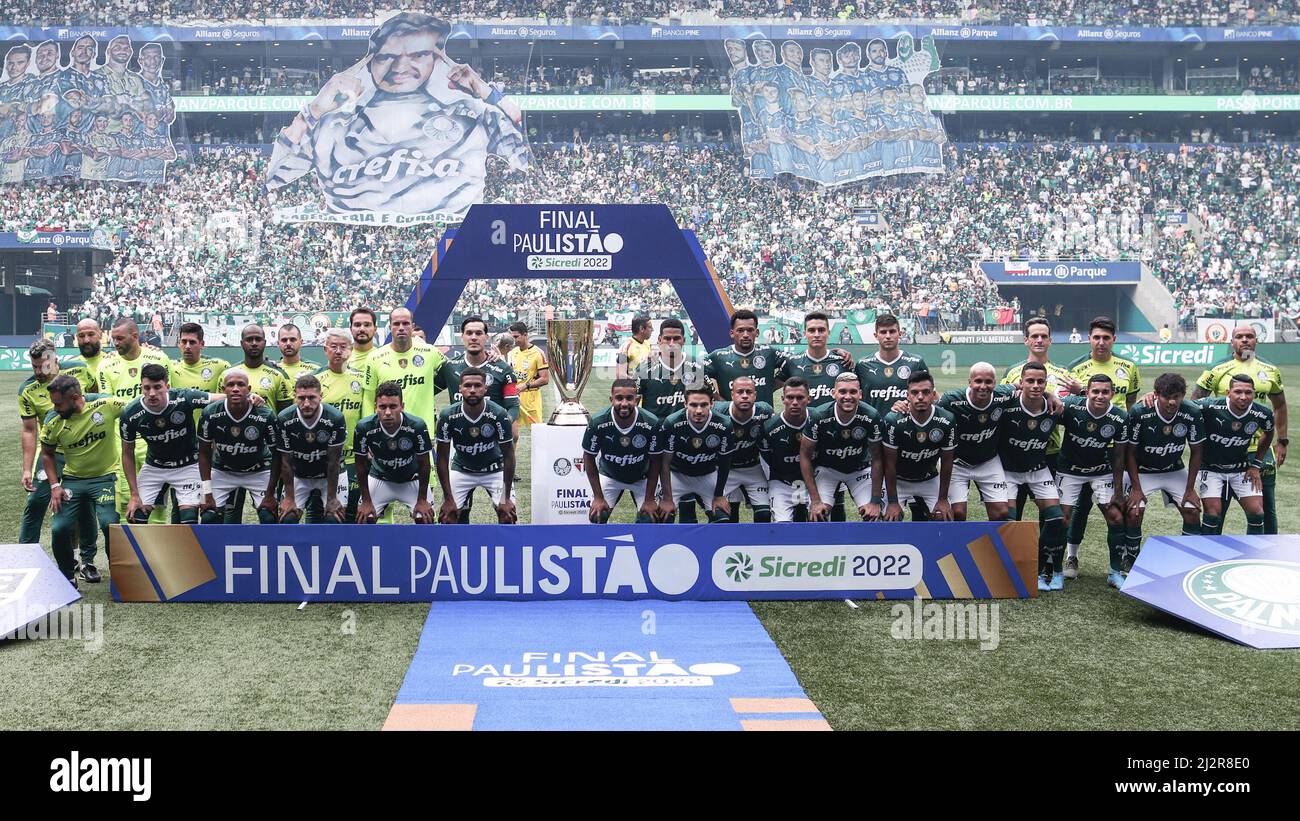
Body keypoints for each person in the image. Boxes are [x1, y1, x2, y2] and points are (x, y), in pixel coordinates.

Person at [267, 12, 528, 220]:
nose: (401, 67)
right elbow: (274, 178)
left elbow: (522, 148)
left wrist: (483, 90)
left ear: (436, 60)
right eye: (387, 57)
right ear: (370, 63)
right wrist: (312, 112)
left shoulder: (471, 116)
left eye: (418, 55)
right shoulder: (330, 124)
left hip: (454, 245)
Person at [1063, 316, 1140, 578]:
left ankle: (1122, 562)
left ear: (1114, 340)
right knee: (1079, 507)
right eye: (1096, 337)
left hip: (1115, 447)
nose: (1101, 342)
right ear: (1089, 339)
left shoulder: (1128, 367)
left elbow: (1132, 405)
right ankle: (1071, 557)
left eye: (1106, 337)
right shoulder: (1076, 367)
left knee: (1116, 508)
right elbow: (1068, 407)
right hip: (1083, 448)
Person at [1193, 325, 1287, 534]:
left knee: (1265, 506)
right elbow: (1195, 401)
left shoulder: (1270, 370)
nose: (1245, 340)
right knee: (1218, 507)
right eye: (1239, 337)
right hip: (1224, 449)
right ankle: (1210, 551)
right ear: (1232, 341)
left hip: (1258, 449)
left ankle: (1267, 552)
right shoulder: (1217, 369)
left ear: (1256, 340)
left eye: (1249, 336)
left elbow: (1280, 405)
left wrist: (1282, 441)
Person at [18, 340, 100, 581]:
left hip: (84, 453)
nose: (37, 372)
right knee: (35, 502)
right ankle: (26, 557)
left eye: (41, 366)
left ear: (54, 360)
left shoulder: (80, 372)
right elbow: (30, 430)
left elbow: (94, 401)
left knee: (85, 507)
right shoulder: (28, 389)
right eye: (33, 366)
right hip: (52, 454)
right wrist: (26, 469)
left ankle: (88, 562)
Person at [39, 375, 126, 585]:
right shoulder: (53, 422)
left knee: (109, 523)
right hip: (73, 481)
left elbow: (138, 407)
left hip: (105, 477)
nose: (55, 407)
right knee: (60, 528)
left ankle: (121, 575)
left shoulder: (106, 405)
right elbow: (47, 454)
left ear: (76, 397)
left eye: (59, 403)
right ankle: (68, 576)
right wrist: (55, 485)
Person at [1124, 373, 1205, 581]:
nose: (1172, 402)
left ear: (1184, 395)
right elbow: (1129, 453)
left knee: (1192, 510)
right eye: (1166, 396)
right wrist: (1136, 489)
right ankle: (1131, 558)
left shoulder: (1192, 412)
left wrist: (1189, 489)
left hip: (1173, 469)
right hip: (1142, 470)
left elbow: (1196, 452)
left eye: (1177, 396)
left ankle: (1189, 559)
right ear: (1156, 395)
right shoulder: (1140, 411)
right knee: (1133, 511)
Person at [118, 364, 222, 524]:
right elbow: (127, 453)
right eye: (147, 388)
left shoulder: (183, 397)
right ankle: (148, 550)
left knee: (189, 520)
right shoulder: (130, 413)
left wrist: (249, 396)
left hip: (187, 466)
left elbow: (219, 398)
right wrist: (134, 494)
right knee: (135, 516)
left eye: (157, 387)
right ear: (141, 387)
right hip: (155, 467)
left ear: (167, 386)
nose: (152, 393)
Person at [1001, 316, 1081, 524]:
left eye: (1043, 336)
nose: (1039, 340)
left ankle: (1044, 557)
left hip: (1050, 452)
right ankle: (1008, 556)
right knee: (1010, 517)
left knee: (1052, 519)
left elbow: (1069, 412)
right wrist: (1048, 394)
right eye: (1034, 336)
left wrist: (1078, 392)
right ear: (1026, 340)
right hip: (1013, 454)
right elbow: (999, 404)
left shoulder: (1063, 373)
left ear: (1050, 341)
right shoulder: (1011, 373)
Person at [996, 362, 1068, 592]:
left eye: (1041, 382)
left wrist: (1052, 396)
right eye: (1030, 381)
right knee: (1008, 520)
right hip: (1008, 472)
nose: (1036, 386)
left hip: (1038, 469)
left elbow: (1085, 406)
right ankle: (1007, 569)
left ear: (1046, 383)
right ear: (1021, 382)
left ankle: (1045, 568)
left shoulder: (1054, 408)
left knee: (1056, 518)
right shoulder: (1007, 406)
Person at [1054, 375, 1130, 588]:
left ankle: (1115, 572)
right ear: (1086, 392)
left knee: (1115, 517)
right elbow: (1047, 412)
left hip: (1100, 472)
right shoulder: (1071, 407)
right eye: (1095, 391)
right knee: (1063, 519)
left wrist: (1117, 491)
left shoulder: (1120, 417)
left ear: (1112, 394)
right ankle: (1056, 570)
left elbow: (1119, 456)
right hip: (1069, 471)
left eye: (1105, 392)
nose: (1100, 396)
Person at [97, 317, 172, 520]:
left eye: (120, 338)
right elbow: (109, 405)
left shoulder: (159, 359)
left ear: (135, 336)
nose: (116, 343)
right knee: (124, 505)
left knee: (156, 506)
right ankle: (129, 551)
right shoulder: (106, 365)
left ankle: (157, 552)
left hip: (155, 442)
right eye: (113, 339)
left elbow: (168, 399)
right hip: (123, 443)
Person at [197, 369, 282, 525]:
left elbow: (277, 455)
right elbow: (203, 453)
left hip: (258, 469)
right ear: (224, 390)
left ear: (249, 390)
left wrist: (270, 494)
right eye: (230, 385)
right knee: (209, 516)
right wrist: (207, 492)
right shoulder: (210, 413)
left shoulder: (264, 414)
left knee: (268, 517)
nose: (235, 388)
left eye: (241, 384)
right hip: (223, 470)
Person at [1194, 374, 1274, 537]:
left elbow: (1269, 432)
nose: (1243, 397)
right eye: (1238, 392)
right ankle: (1207, 553)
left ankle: (1253, 553)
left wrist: (1256, 465)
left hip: (1241, 469)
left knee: (1257, 513)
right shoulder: (1210, 406)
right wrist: (1152, 396)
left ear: (1254, 392)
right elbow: (1182, 405)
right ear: (1228, 392)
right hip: (1210, 469)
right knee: (1213, 514)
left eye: (1248, 392)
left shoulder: (1263, 413)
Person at [435, 367, 517, 524]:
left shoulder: (498, 414)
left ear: (485, 388)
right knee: (447, 517)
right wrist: (448, 497)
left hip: (494, 470)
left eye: (478, 385)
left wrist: (505, 497)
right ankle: (456, 548)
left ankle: (504, 548)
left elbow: (509, 456)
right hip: (462, 470)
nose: (472, 390)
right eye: (467, 386)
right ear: (460, 389)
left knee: (508, 515)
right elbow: (443, 458)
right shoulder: (448, 415)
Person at [935, 363, 1014, 522]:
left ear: (995, 382)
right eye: (978, 381)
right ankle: (958, 546)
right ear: (969, 382)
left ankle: (989, 546)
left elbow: (1024, 387)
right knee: (957, 513)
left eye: (988, 382)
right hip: (957, 463)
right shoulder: (952, 400)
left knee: (1001, 513)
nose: (983, 386)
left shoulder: (1003, 394)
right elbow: (930, 409)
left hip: (988, 461)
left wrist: (1050, 396)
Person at [801, 373, 883, 522]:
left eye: (853, 392)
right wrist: (815, 500)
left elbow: (877, 458)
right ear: (833, 393)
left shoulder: (871, 416)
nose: (847, 396)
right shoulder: (819, 416)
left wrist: (875, 501)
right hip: (827, 470)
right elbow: (805, 456)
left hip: (859, 469)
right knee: (818, 514)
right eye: (842, 391)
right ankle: (824, 545)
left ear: (860, 394)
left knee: (874, 516)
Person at [353, 381, 435, 524]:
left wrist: (422, 500)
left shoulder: (417, 426)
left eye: (393, 406)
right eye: (382, 407)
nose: (388, 412)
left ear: (402, 407)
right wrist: (366, 501)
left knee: (425, 518)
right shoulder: (364, 427)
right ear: (375, 408)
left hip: (412, 479)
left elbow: (424, 464)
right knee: (365, 518)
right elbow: (360, 465)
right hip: (380, 478)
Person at [582, 378, 662, 524]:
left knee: (650, 518)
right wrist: (598, 497)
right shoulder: (598, 422)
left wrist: (650, 499)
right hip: (610, 475)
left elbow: (656, 461)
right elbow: (588, 457)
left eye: (629, 398)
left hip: (641, 477)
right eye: (619, 398)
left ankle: (640, 536)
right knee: (597, 516)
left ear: (637, 400)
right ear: (611, 399)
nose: (624, 403)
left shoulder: (651, 422)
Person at [881, 371, 956, 522]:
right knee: (888, 519)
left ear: (933, 395)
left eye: (926, 392)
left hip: (928, 479)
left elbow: (947, 464)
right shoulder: (894, 420)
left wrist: (942, 499)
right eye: (914, 392)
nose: (920, 397)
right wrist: (893, 502)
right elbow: (889, 465)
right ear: (907, 395)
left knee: (944, 517)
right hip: (898, 481)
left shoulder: (946, 420)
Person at [276, 374, 349, 524]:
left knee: (333, 518)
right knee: (287, 518)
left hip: (330, 476)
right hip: (299, 475)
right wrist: (289, 498)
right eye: (301, 398)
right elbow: (286, 462)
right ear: (295, 397)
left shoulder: (335, 418)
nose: (307, 403)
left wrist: (332, 499)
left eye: (312, 397)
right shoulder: (285, 418)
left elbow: (333, 461)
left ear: (321, 396)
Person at [658, 386, 734, 523]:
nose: (698, 410)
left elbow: (725, 463)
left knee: (722, 519)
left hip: (707, 475)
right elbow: (664, 463)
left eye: (704, 405)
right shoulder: (672, 423)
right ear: (685, 404)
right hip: (677, 475)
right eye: (693, 405)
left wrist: (719, 495)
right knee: (663, 516)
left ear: (711, 403)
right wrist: (667, 498)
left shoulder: (724, 424)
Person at [315, 328, 366, 523]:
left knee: (352, 513)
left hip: (354, 458)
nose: (338, 351)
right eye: (333, 346)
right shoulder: (316, 380)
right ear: (325, 349)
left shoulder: (361, 379)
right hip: (322, 459)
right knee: (319, 514)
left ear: (351, 349)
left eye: (343, 347)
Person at [364, 307, 446, 426]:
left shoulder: (431, 352)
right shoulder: (374, 357)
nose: (401, 328)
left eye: (405, 323)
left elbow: (453, 370)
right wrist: (368, 427)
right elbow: (368, 398)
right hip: (388, 432)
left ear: (412, 326)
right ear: (390, 327)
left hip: (423, 430)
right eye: (396, 324)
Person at [436, 315, 519, 422]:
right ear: (462, 337)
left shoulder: (504, 369)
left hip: (491, 434)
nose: (474, 337)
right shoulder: (449, 366)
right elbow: (426, 391)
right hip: (460, 434)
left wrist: (506, 422)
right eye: (469, 333)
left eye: (478, 333)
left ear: (486, 337)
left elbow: (513, 406)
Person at [715, 376, 775, 523]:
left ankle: (759, 545)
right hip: (725, 471)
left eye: (749, 392)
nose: (744, 396)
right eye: (740, 392)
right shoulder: (717, 412)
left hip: (752, 468)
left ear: (755, 394)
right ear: (732, 395)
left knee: (764, 515)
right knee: (725, 516)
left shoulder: (765, 411)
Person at [854, 313, 928, 416]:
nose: (888, 336)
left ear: (900, 333)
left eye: (892, 331)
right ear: (876, 335)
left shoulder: (916, 363)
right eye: (883, 332)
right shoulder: (862, 365)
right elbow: (853, 398)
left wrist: (907, 403)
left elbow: (929, 397)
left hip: (904, 428)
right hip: (872, 427)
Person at [762, 378, 813, 522]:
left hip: (813, 482)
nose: (795, 402)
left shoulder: (818, 420)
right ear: (783, 399)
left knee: (819, 521)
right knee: (782, 527)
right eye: (790, 397)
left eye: (800, 397)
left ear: (808, 399)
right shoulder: (769, 427)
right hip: (782, 483)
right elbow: (766, 459)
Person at [507, 321, 548, 431]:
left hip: (531, 399)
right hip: (514, 399)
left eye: (516, 337)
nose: (514, 340)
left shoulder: (538, 353)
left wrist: (525, 386)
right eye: (512, 337)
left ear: (525, 335)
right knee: (511, 433)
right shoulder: (512, 352)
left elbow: (544, 379)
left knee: (537, 432)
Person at [617, 315, 653, 380]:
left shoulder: (647, 343)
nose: (652, 329)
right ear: (642, 329)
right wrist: (638, 382)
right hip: (634, 388)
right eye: (650, 327)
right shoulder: (626, 346)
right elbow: (620, 375)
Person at [348, 307, 380, 371]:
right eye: (357, 325)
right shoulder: (341, 356)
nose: (362, 329)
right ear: (351, 329)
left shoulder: (384, 355)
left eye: (367, 325)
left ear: (375, 329)